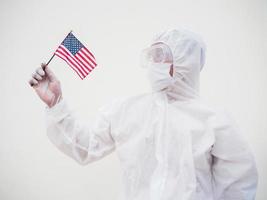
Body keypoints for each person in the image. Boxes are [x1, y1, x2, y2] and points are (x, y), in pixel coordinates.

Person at [28, 28, 258, 200]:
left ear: (186, 60)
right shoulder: (126, 111)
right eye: (151, 55)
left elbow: (237, 187)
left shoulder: (213, 120)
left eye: (160, 54)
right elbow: (85, 148)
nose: (153, 63)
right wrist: (55, 103)